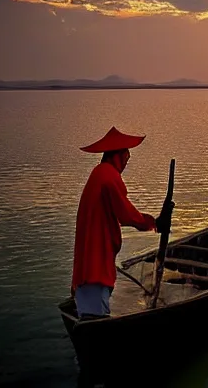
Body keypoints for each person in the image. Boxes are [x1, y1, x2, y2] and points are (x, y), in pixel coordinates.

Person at [71, 126, 172, 319]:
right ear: (117, 155)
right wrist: (156, 223)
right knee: (95, 316)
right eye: (126, 154)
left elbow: (118, 214)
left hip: (89, 258)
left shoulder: (99, 174)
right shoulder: (109, 176)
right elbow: (127, 215)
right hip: (95, 260)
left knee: (90, 311)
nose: (128, 158)